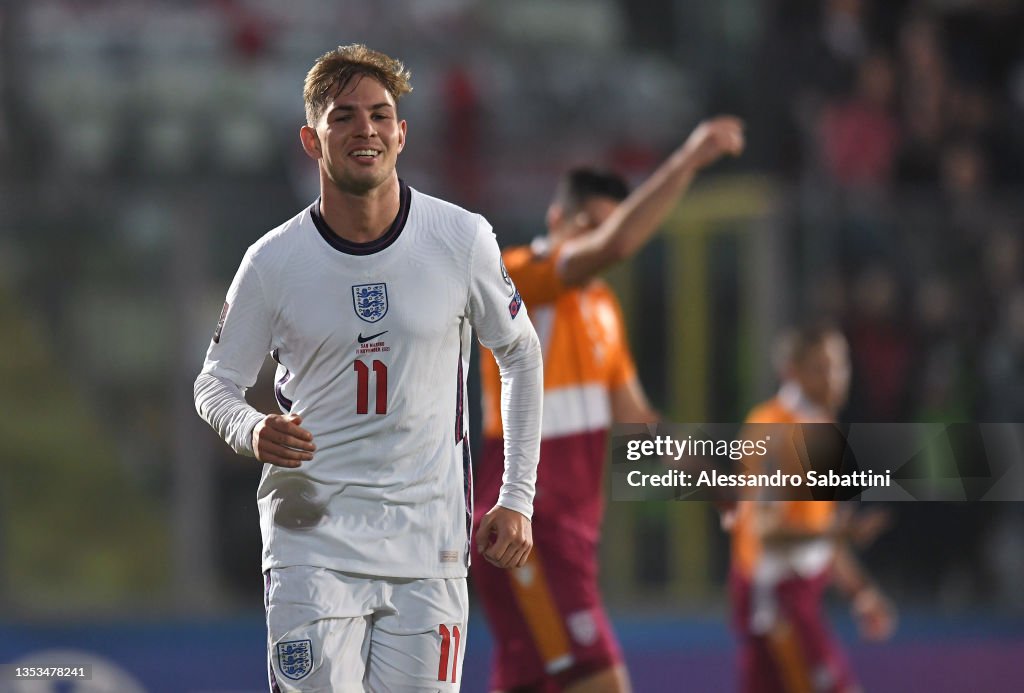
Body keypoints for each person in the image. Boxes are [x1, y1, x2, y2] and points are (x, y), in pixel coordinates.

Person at [194, 44, 543, 692]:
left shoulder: (460, 239)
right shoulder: (273, 261)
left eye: (381, 116)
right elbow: (215, 382)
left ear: (402, 133)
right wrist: (251, 429)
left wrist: (516, 497)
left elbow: (520, 350)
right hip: (311, 543)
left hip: (430, 546)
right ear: (311, 137)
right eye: (345, 117)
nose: (366, 131)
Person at [471, 117, 745, 692]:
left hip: (569, 538)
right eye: (587, 227)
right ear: (555, 220)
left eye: (607, 227)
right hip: (528, 529)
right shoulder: (518, 276)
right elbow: (617, 245)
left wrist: (712, 483)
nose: (600, 241)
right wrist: (689, 160)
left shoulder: (602, 310)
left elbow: (639, 421)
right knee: (601, 682)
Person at [727, 323, 897, 693]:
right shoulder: (771, 430)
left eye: (840, 366)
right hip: (776, 597)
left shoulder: (824, 429)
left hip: (799, 593)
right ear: (792, 371)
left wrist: (860, 592)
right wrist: (838, 533)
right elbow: (768, 533)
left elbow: (824, 531)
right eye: (822, 368)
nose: (835, 378)